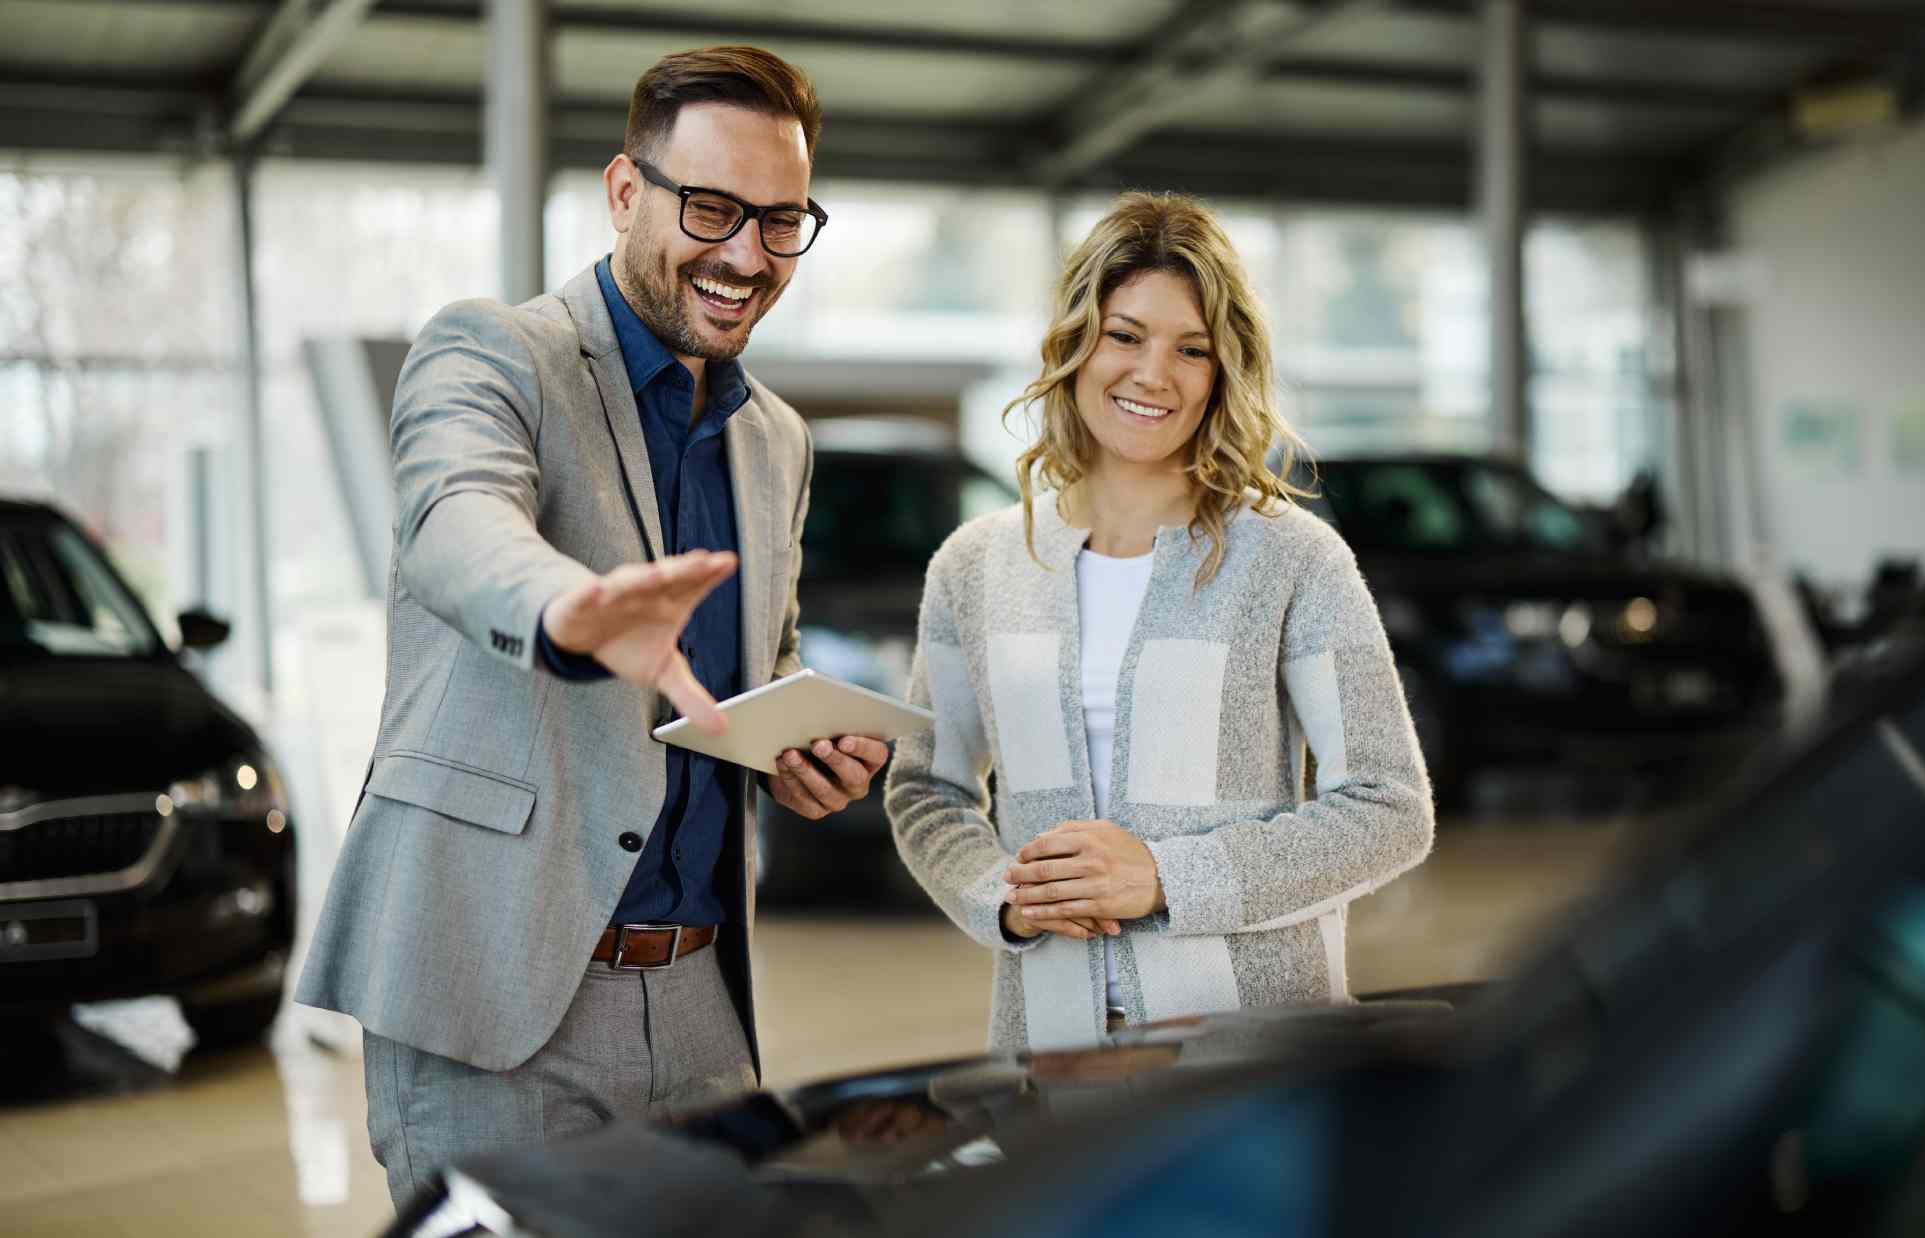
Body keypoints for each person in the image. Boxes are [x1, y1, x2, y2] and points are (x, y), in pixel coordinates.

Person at [296, 45, 889, 1204]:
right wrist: (570, 610)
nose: (746, 255)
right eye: (712, 208)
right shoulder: (492, 351)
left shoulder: (776, 437)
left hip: (707, 998)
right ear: (625, 192)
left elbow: (753, 664)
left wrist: (795, 750)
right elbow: (457, 522)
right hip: (497, 992)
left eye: (781, 221)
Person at [883, 192, 1435, 1051]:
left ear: (1224, 372)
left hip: (1253, 1051)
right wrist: (1002, 897)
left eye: (1192, 350)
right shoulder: (975, 566)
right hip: (1049, 1046)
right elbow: (927, 790)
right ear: (1074, 343)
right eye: (1125, 335)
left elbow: (1390, 808)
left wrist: (1168, 876)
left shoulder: (1292, 561)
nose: (1153, 374)